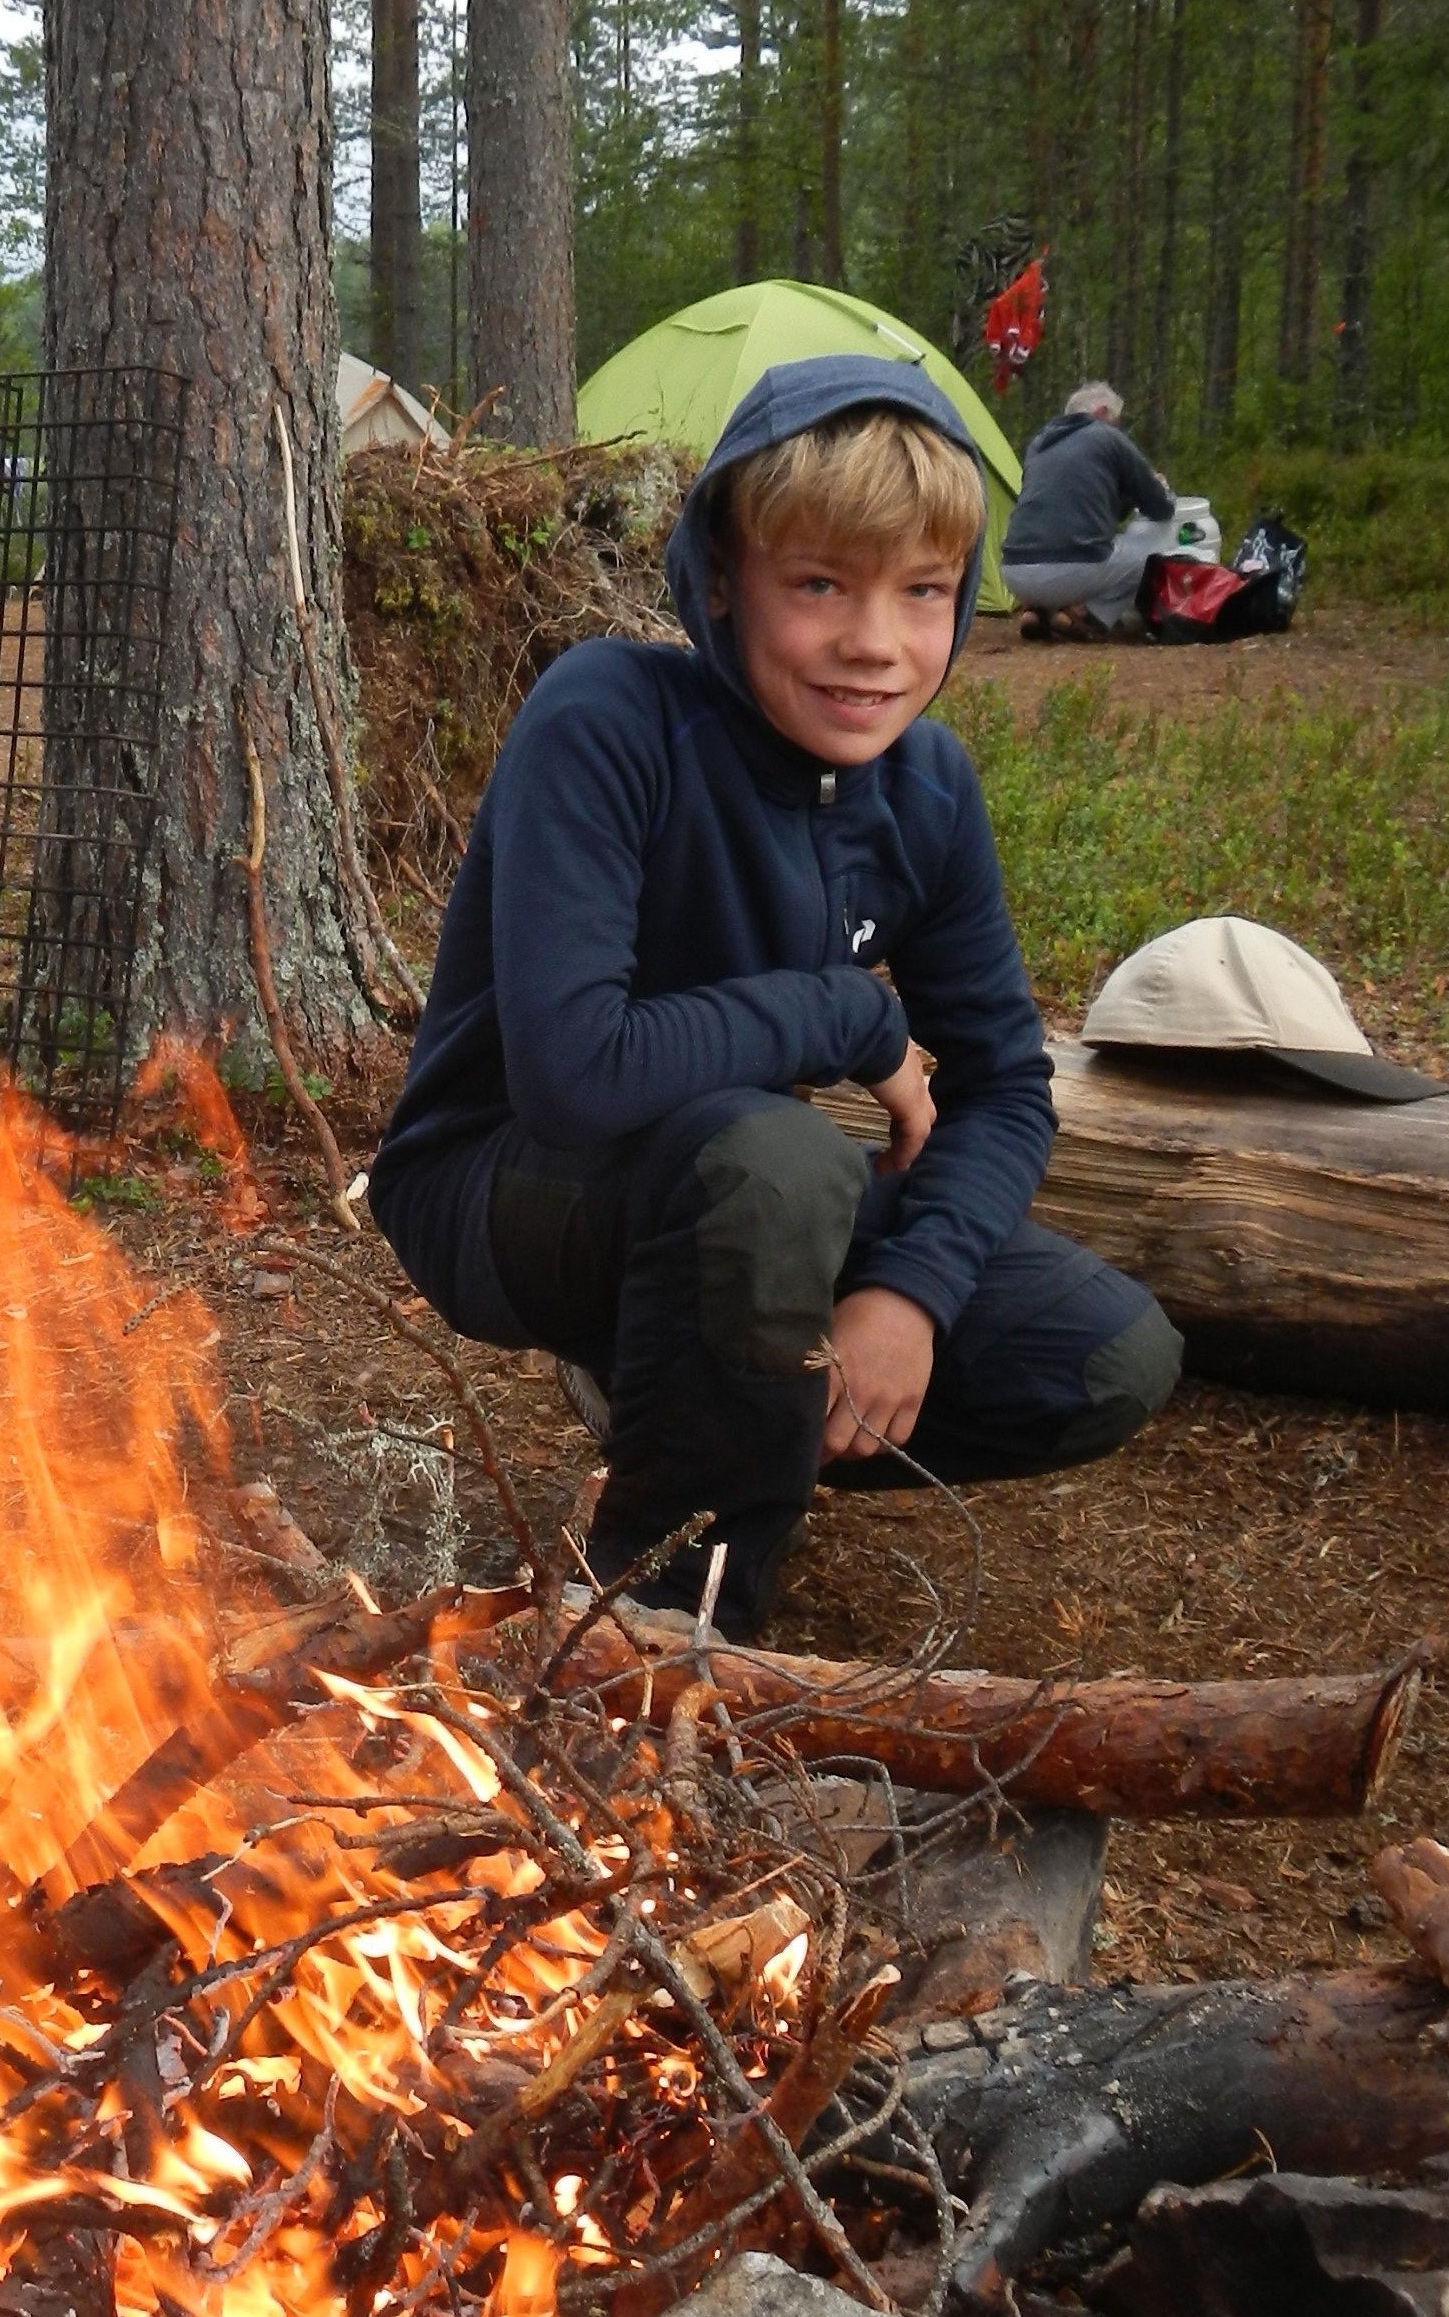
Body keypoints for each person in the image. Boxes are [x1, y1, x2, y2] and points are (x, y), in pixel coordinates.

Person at [365, 355, 1182, 1638]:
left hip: (741, 1197)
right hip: (507, 1180)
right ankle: (653, 1644)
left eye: (922, 592)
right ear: (725, 582)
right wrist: (852, 1013)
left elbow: (1007, 1086)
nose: (876, 642)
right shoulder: (609, 717)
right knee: (779, 1163)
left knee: (1100, 1354)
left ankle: (685, 1394)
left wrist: (907, 1295)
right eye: (820, 584)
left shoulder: (928, 789)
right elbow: (575, 1073)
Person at [1000, 379, 1174, 639]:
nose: (1117, 428)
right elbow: (1160, 508)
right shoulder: (1106, 436)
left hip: (1013, 572)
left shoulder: (1039, 444)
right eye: (1116, 421)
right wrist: (1159, 485)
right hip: (1071, 569)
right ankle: (1088, 617)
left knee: (1060, 541)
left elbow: (1084, 513)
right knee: (1153, 552)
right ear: (1102, 413)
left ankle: (1039, 612)